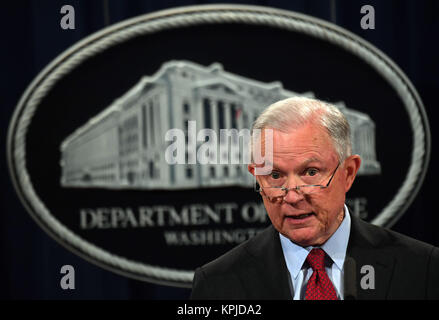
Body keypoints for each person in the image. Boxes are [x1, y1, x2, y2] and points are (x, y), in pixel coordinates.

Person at [190, 96, 439, 300]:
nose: (293, 196)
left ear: (348, 173)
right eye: (275, 175)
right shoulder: (217, 284)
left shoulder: (423, 269)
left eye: (310, 172)